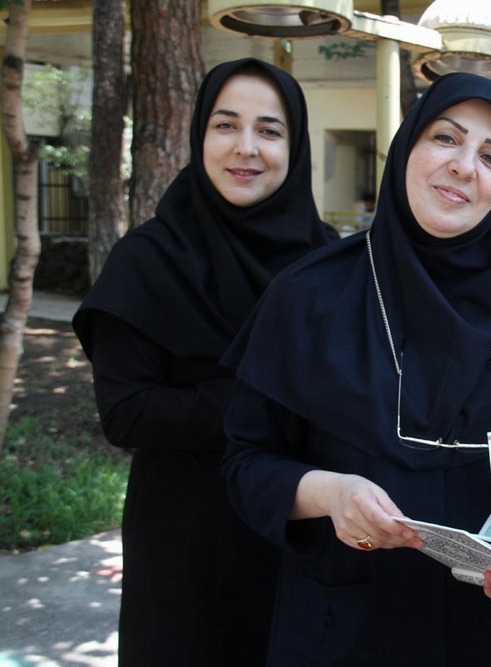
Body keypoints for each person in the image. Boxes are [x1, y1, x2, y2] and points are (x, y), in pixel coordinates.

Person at [220, 72, 491, 665]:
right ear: (406, 147)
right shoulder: (309, 293)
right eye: (446, 138)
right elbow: (246, 464)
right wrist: (330, 493)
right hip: (345, 631)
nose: (464, 166)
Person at [72, 58, 337, 665]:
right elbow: (127, 412)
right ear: (199, 136)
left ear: (295, 146)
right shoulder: (148, 260)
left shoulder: (329, 263)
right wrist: (268, 405)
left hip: (304, 537)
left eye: (269, 130)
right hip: (186, 541)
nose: (246, 148)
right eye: (226, 125)